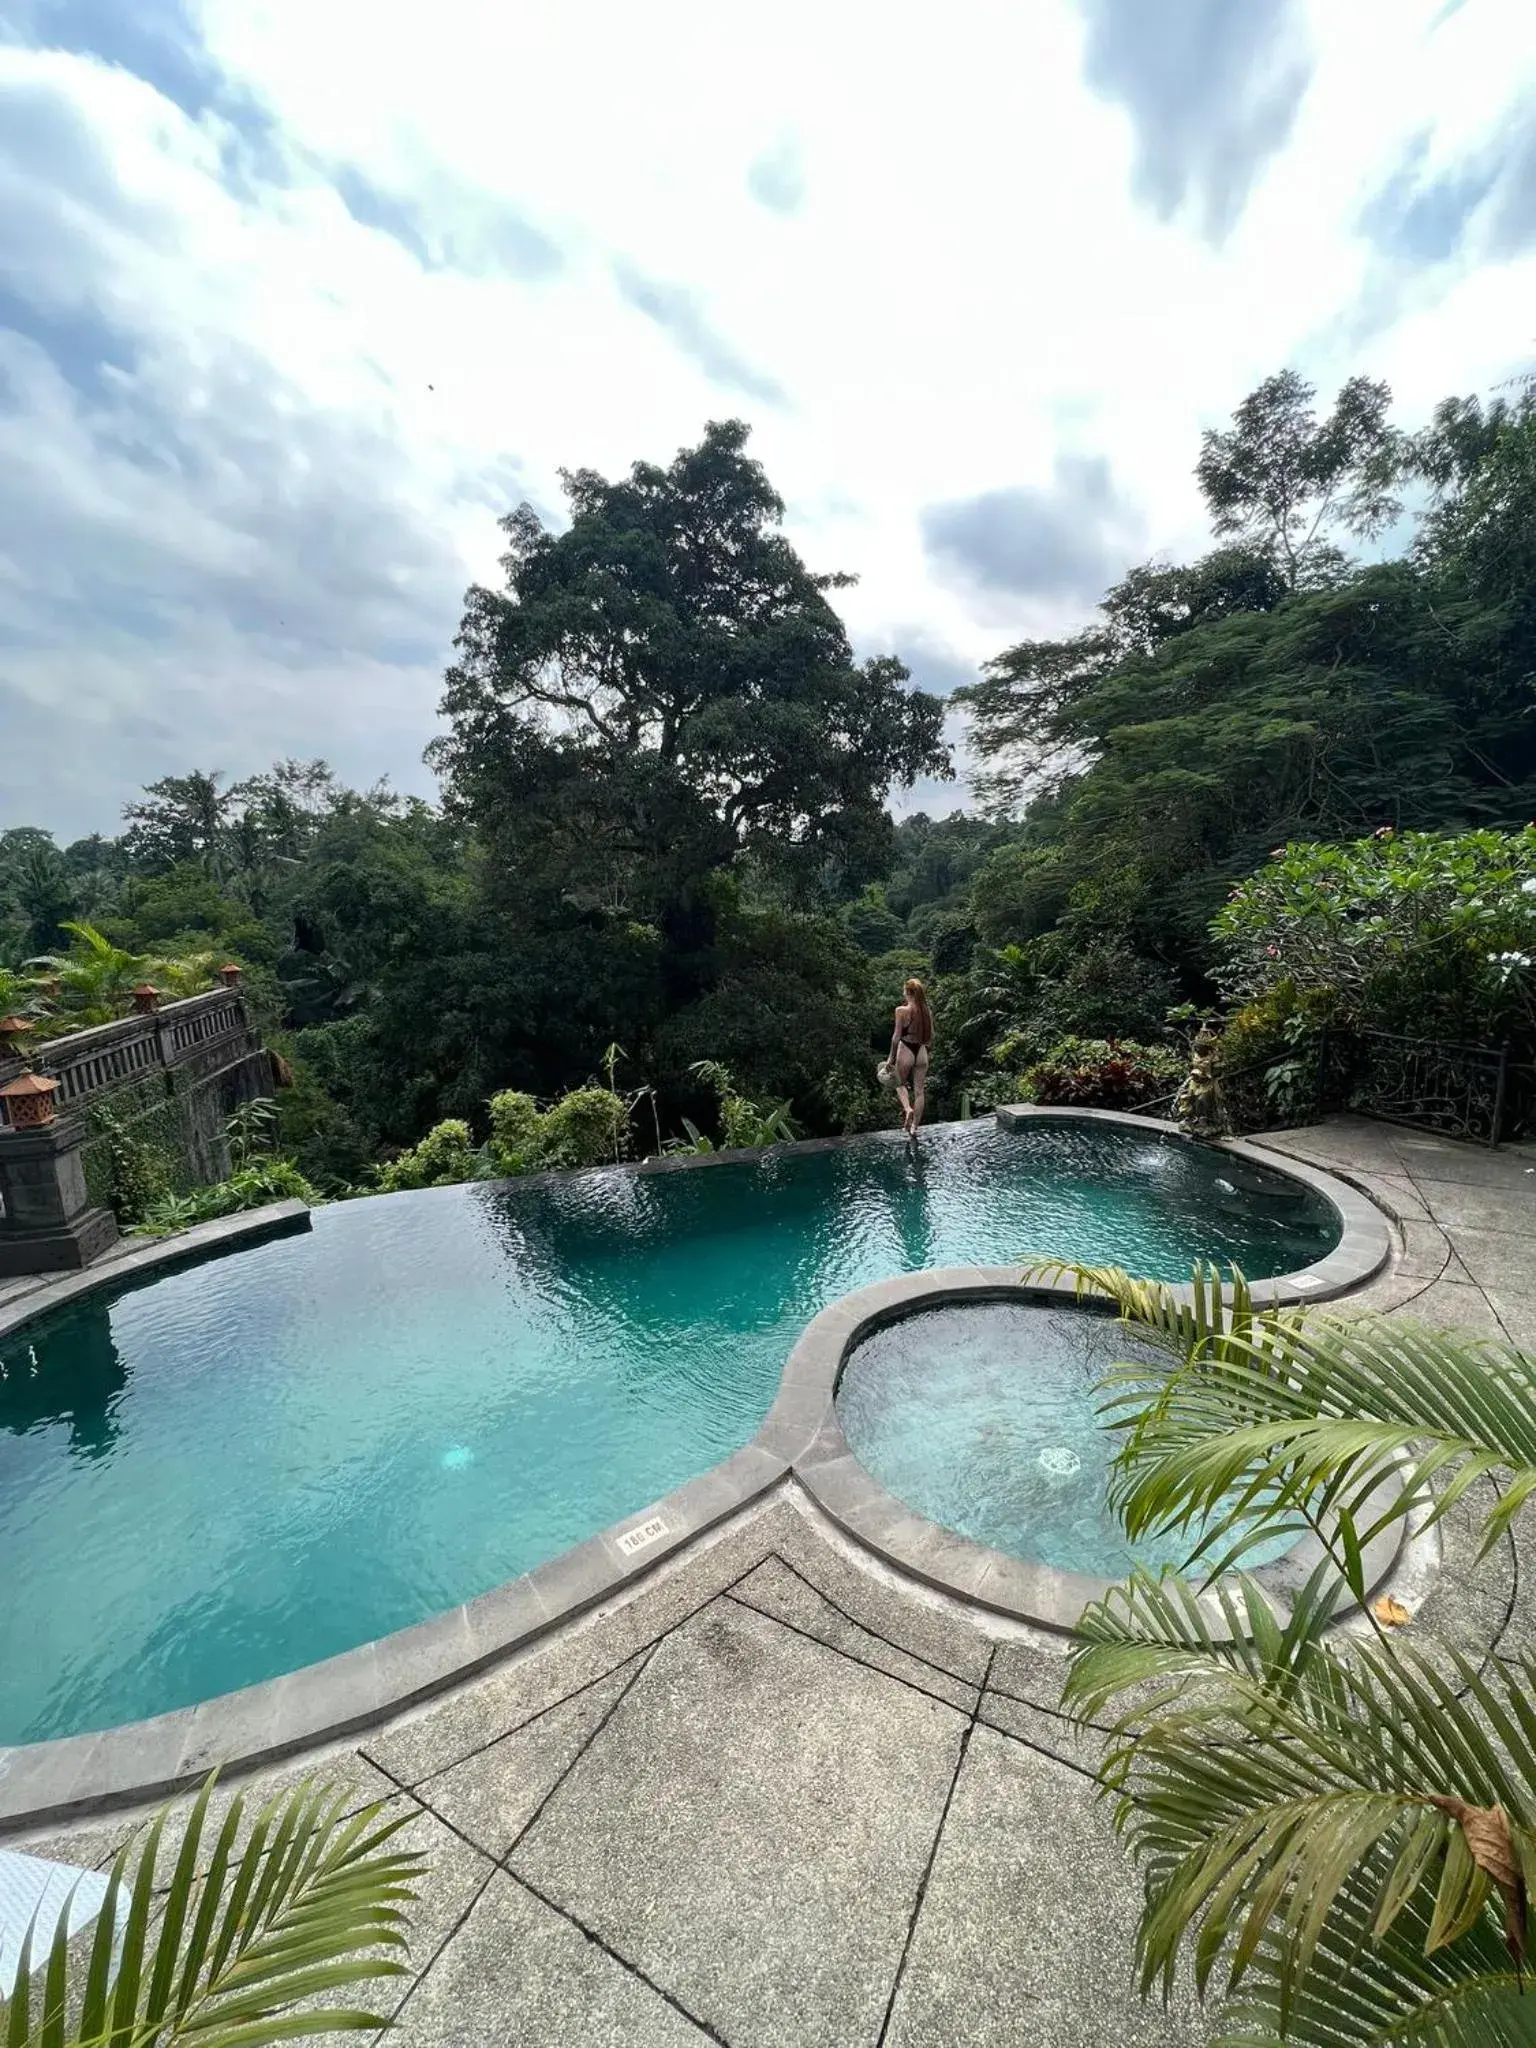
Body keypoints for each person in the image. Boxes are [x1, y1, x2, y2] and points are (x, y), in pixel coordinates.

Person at [889, 977, 933, 1135]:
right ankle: (914, 1128)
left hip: (906, 1048)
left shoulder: (901, 1011)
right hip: (921, 1050)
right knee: (920, 1091)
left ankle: (908, 1109)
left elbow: (896, 1037)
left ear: (908, 992)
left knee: (899, 1083)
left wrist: (891, 1059)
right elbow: (930, 1036)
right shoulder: (927, 1011)